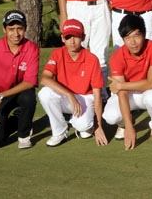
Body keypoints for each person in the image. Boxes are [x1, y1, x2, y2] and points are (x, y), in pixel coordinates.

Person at [38, 19, 108, 147]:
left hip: (85, 98)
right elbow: (44, 79)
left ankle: (80, 123)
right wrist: (69, 95)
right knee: (44, 93)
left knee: (84, 127)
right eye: (68, 37)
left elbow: (97, 95)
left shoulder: (92, 59)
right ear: (63, 38)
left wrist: (98, 125)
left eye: (76, 36)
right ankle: (60, 131)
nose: (72, 41)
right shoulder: (57, 54)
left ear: (83, 37)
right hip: (67, 97)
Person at [0, 10, 39, 149]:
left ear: (25, 28)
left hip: (18, 93)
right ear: (4, 29)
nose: (16, 34)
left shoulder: (32, 49)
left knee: (29, 96)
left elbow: (29, 82)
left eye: (19, 29)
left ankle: (23, 135)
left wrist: (2, 95)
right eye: (11, 29)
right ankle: (18, 118)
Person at [103, 14, 152, 149]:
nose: (132, 42)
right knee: (110, 116)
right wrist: (129, 126)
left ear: (144, 34)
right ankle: (123, 125)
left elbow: (151, 83)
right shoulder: (117, 57)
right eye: (127, 38)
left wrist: (120, 85)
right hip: (129, 94)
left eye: (136, 36)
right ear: (123, 39)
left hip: (148, 91)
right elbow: (122, 93)